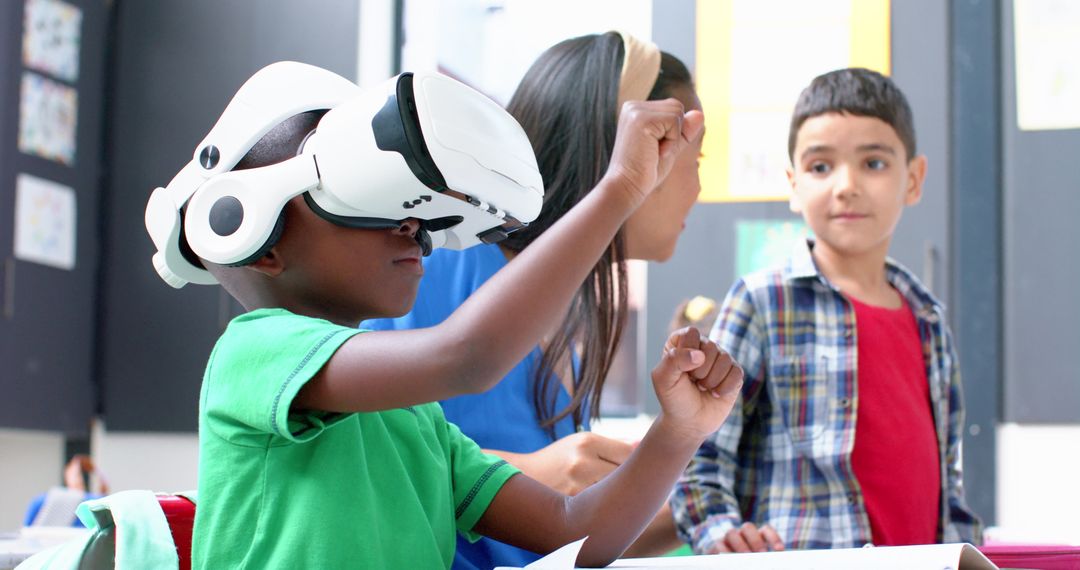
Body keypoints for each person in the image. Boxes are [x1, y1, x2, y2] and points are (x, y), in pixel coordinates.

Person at [145, 61, 742, 569]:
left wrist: (679, 432)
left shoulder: (418, 422)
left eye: (414, 207)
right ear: (259, 238)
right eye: (365, 200)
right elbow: (467, 357)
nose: (412, 225)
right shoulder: (256, 352)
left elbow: (573, 530)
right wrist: (620, 189)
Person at [363, 31, 703, 569]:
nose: (699, 188)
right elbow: (356, 457)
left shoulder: (571, 328)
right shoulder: (429, 272)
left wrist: (715, 505)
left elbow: (566, 532)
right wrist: (521, 473)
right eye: (695, 158)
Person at [671, 68, 983, 553]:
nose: (846, 186)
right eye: (820, 167)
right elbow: (697, 451)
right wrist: (719, 534)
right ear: (793, 184)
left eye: (873, 163)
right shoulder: (761, 302)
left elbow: (948, 479)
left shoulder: (929, 320)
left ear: (914, 180)